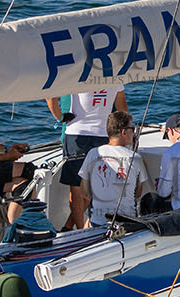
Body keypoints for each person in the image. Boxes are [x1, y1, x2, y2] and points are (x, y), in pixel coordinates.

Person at [45, 84, 128, 230]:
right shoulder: (117, 79)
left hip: (76, 135)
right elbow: (123, 111)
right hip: (103, 136)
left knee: (76, 189)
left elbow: (50, 97)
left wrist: (61, 118)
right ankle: (76, 226)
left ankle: (77, 229)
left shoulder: (78, 76)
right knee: (98, 186)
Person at [79, 111, 148, 226]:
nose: (134, 133)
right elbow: (138, 194)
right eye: (132, 129)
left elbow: (83, 192)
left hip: (98, 221)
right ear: (124, 132)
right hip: (126, 224)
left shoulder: (93, 153)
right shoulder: (136, 158)